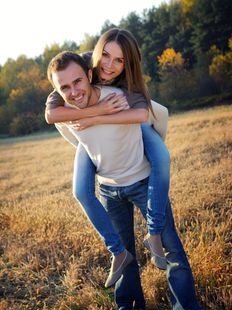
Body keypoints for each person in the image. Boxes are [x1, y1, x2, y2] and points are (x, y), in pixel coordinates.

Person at [46, 51, 210, 310]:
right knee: (123, 255)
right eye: (64, 87)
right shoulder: (66, 108)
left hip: (142, 180)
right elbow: (52, 113)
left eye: (77, 81)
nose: (73, 91)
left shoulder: (118, 95)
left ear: (89, 74)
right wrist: (91, 114)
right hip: (109, 188)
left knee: (172, 252)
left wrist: (103, 111)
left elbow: (141, 113)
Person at [46, 28, 170, 273]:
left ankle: (154, 234)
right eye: (105, 56)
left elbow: (142, 114)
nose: (110, 65)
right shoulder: (81, 65)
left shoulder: (127, 79)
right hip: (93, 133)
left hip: (131, 120)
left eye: (119, 60)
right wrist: (97, 113)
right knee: (80, 190)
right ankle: (118, 254)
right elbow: (51, 113)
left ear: (127, 63)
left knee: (162, 158)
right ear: (96, 55)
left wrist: (99, 118)